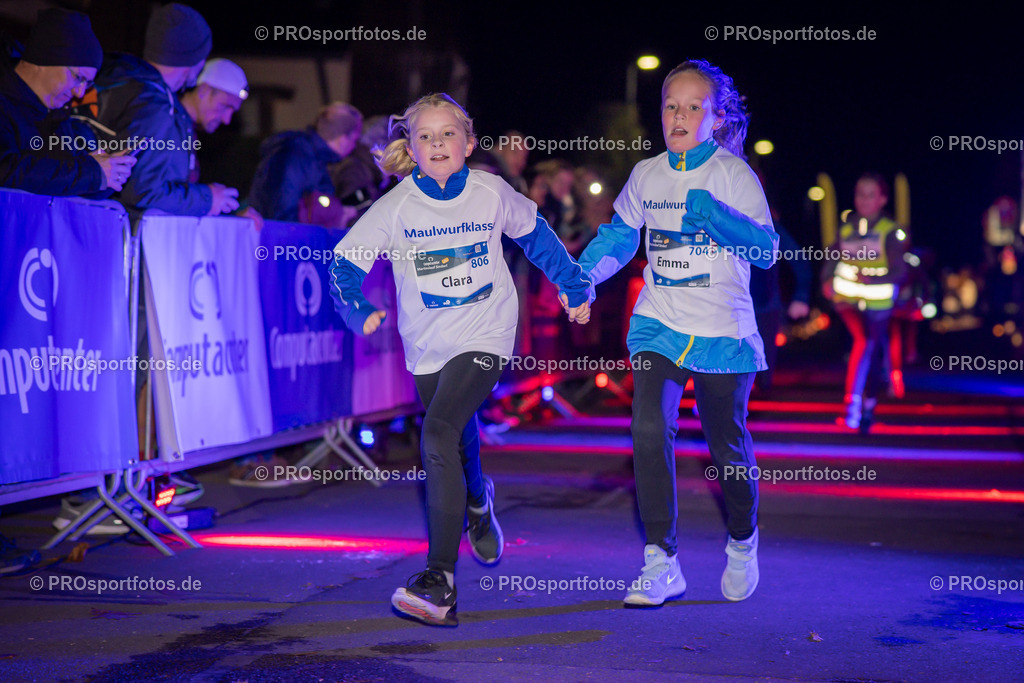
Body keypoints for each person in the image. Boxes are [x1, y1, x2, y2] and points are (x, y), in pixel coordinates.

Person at [329, 93, 591, 626]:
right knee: (454, 432)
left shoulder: (491, 191)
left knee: (438, 431)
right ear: (412, 148)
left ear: (469, 143)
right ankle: (477, 501)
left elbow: (536, 235)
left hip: (486, 333)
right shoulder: (397, 206)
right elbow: (343, 265)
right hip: (427, 344)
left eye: (448, 134)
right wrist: (358, 308)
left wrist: (572, 283)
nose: (438, 144)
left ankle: (438, 582)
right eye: (425, 136)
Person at [576, 59, 778, 606]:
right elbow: (619, 236)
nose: (681, 116)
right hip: (658, 324)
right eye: (671, 105)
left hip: (722, 331)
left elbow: (764, 251)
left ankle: (742, 540)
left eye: (694, 107)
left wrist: (712, 213)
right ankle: (661, 560)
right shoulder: (647, 174)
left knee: (726, 447)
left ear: (716, 119)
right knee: (647, 430)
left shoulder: (735, 176)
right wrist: (583, 279)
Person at [73, 2, 238, 217]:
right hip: (114, 232)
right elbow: (143, 191)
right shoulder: (154, 102)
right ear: (193, 59)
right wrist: (208, 198)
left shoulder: (121, 78)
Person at [0, 7, 135, 196]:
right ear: (44, 59)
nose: (80, 93)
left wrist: (106, 174)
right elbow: (6, 171)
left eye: (87, 84)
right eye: (78, 77)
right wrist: (89, 172)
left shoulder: (60, 119)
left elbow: (62, 184)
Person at [824, 173, 908, 432]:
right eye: (860, 193)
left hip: (879, 303)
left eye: (871, 194)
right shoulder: (846, 228)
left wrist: (872, 281)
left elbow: (900, 271)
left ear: (882, 199)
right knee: (864, 342)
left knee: (872, 351)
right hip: (847, 299)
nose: (864, 200)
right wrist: (826, 281)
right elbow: (831, 258)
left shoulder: (890, 231)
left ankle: (868, 404)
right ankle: (852, 404)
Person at [249, 102, 363, 226]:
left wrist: (337, 215)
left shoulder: (316, 159)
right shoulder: (296, 156)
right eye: (354, 140)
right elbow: (283, 215)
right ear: (343, 139)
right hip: (278, 242)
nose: (354, 147)